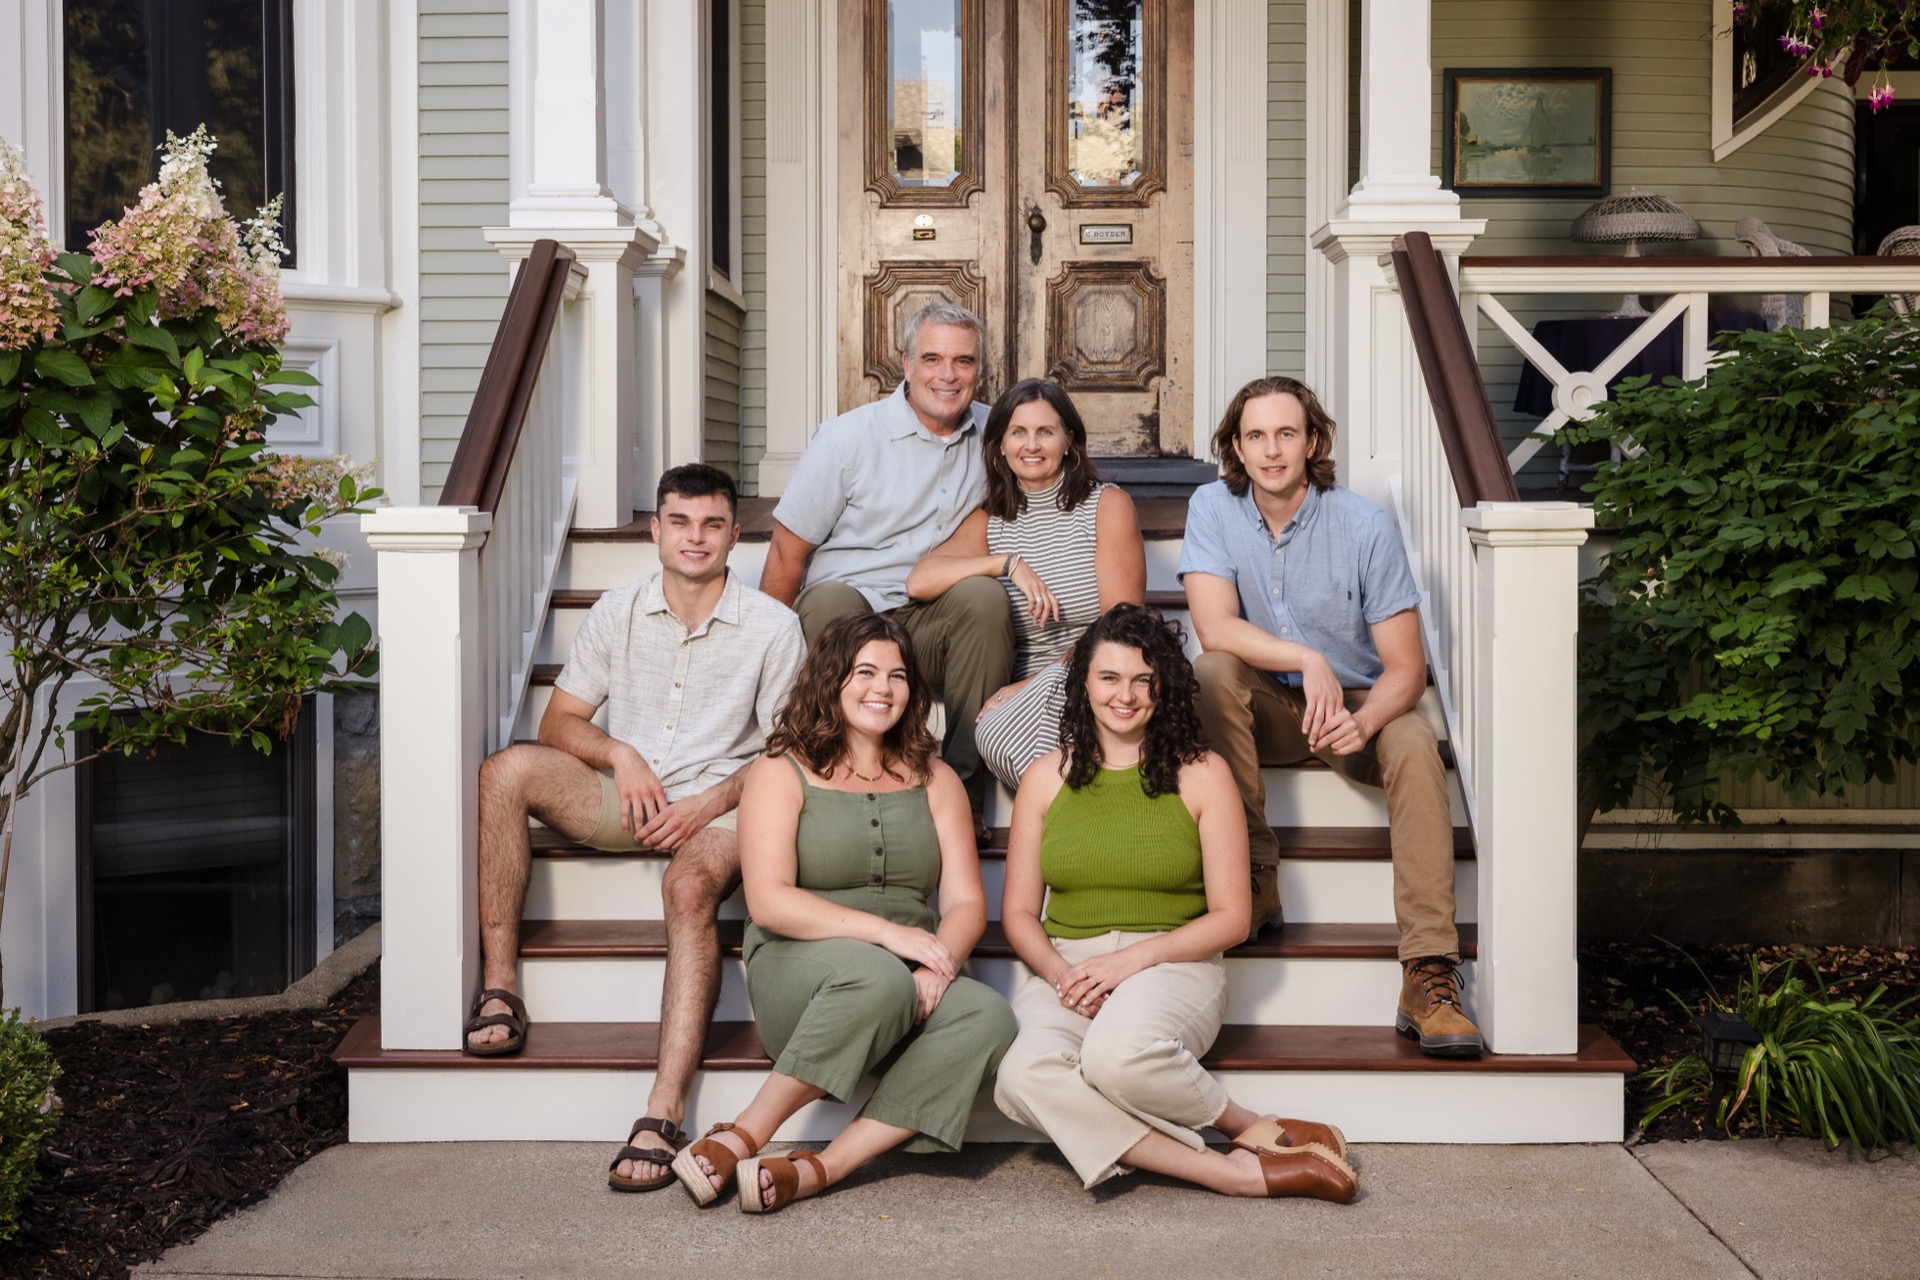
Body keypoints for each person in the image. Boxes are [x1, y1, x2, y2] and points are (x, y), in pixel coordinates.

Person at [460, 464, 808, 1192]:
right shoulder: (616, 611)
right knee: (504, 772)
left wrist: (712, 803)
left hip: (728, 802)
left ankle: (664, 1105)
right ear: (655, 530)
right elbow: (561, 723)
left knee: (687, 890)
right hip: (631, 798)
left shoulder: (775, 627)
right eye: (680, 521)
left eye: (712, 524)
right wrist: (622, 755)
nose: (695, 537)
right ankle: (500, 986)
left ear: (733, 535)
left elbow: (786, 752)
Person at [992, 604, 1357, 1201]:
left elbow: (1233, 918)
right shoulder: (1044, 777)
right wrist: (1064, 976)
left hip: (1173, 964)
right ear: (1083, 683)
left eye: (1143, 679)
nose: (1126, 696)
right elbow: (1016, 915)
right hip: (1068, 966)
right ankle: (1232, 1163)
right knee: (1018, 1076)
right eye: (1109, 678)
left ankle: (1242, 1137)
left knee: (1116, 1061)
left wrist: (1126, 964)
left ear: (1164, 687)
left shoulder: (1204, 773)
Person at [670, 613, 1017, 1213]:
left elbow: (965, 902)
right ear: (831, 680)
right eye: (865, 672)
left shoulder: (935, 778)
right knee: (878, 974)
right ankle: (746, 1132)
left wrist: (940, 966)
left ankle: (824, 1167)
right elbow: (770, 901)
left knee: (989, 1017)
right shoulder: (781, 769)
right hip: (800, 973)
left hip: (904, 983)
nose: (882, 688)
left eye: (898, 675)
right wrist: (889, 935)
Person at [1180, 376, 1481, 1057]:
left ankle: (1428, 974)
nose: (1272, 450)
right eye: (1255, 435)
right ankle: (1255, 881)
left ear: (1312, 441)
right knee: (1211, 672)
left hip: (1352, 714)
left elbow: (1404, 669)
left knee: (1414, 740)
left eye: (1286, 433)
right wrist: (1304, 658)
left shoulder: (1363, 525)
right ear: (1235, 445)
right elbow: (1214, 626)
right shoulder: (1212, 507)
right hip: (1267, 709)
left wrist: (1365, 719)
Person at [759, 301, 1014, 834]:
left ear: (980, 370)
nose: (948, 375)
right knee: (830, 600)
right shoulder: (847, 438)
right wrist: (760, 652)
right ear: (905, 362)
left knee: (986, 599)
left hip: (931, 614)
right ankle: (837, 775)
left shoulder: (1000, 436)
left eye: (963, 361)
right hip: (850, 608)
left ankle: (963, 792)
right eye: (932, 359)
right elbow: (788, 552)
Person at [906, 378, 1145, 794]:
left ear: (1068, 441)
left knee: (1070, 720)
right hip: (1024, 693)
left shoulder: (1106, 505)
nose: (1031, 445)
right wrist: (1007, 563)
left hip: (1095, 674)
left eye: (1045, 432)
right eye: (1018, 432)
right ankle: (1074, 818)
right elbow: (918, 581)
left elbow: (1121, 626)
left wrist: (1041, 681)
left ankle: (1070, 826)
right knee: (992, 730)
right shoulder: (992, 521)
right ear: (1000, 445)